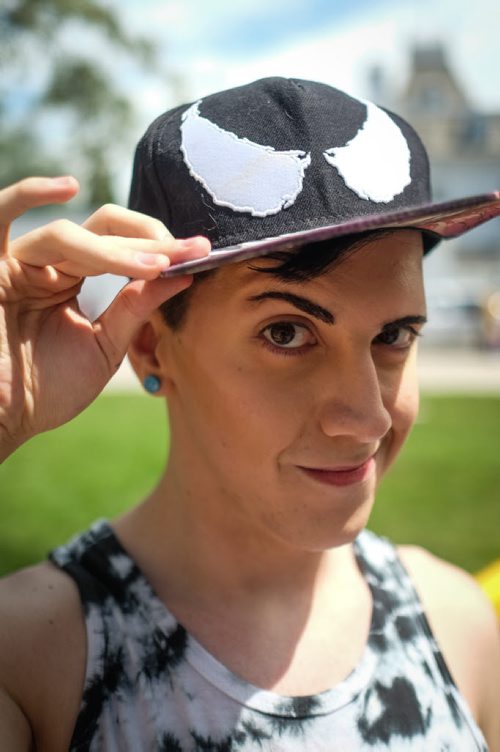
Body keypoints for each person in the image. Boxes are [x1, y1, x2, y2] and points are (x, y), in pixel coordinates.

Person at [0, 77, 499, 751]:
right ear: (151, 347)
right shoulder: (34, 662)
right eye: (287, 333)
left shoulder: (458, 624)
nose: (367, 419)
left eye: (395, 335)